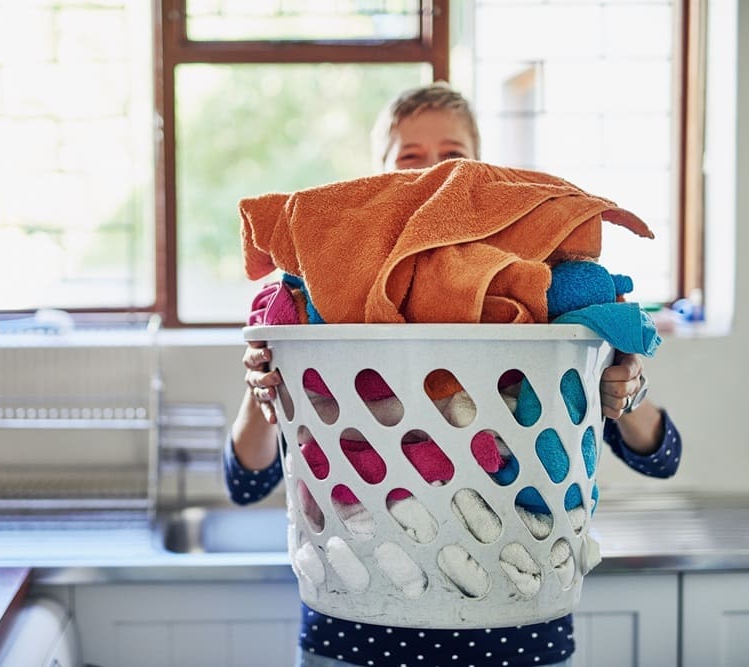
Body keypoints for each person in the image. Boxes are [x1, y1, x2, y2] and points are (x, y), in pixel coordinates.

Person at [226, 81, 682, 667]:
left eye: (453, 157)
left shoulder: (534, 280)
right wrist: (264, 383)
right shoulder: (328, 293)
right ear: (377, 176)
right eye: (409, 158)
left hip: (514, 628)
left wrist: (620, 379)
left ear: (482, 175)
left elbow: (660, 455)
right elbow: (246, 482)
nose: (433, 174)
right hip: (358, 624)